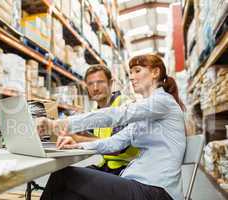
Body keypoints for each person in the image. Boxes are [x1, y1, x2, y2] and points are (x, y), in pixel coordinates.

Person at [37, 54, 186, 200]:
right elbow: (115, 142)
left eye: (137, 71)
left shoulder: (162, 102)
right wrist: (79, 145)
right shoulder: (146, 113)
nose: (132, 77)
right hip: (137, 182)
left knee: (63, 175)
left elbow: (116, 115)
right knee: (67, 191)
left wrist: (58, 124)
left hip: (156, 191)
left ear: (155, 72)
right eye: (130, 73)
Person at [56, 65, 139, 175]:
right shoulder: (96, 110)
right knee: (61, 174)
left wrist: (77, 138)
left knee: (66, 177)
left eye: (100, 82)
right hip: (106, 166)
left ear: (110, 83)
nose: (95, 88)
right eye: (90, 84)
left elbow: (117, 148)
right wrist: (72, 135)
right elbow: (91, 137)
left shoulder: (124, 105)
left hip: (126, 169)